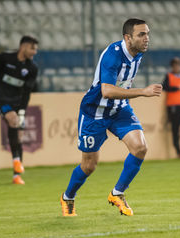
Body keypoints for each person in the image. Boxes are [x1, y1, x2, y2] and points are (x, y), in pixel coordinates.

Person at [60, 18, 162, 217]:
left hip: (119, 109)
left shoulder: (137, 53)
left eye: (148, 33)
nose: (146, 38)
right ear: (127, 38)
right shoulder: (113, 56)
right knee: (89, 166)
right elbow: (106, 91)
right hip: (94, 112)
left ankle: (117, 193)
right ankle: (68, 197)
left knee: (140, 147)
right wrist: (143, 92)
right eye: (141, 34)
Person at [0, 35, 39, 185]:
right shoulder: (4, 58)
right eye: (32, 48)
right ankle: (17, 161)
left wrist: (23, 111)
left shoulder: (32, 68)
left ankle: (17, 175)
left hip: (18, 104)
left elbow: (27, 92)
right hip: (1, 99)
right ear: (23, 46)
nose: (34, 52)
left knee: (19, 136)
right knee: (13, 120)